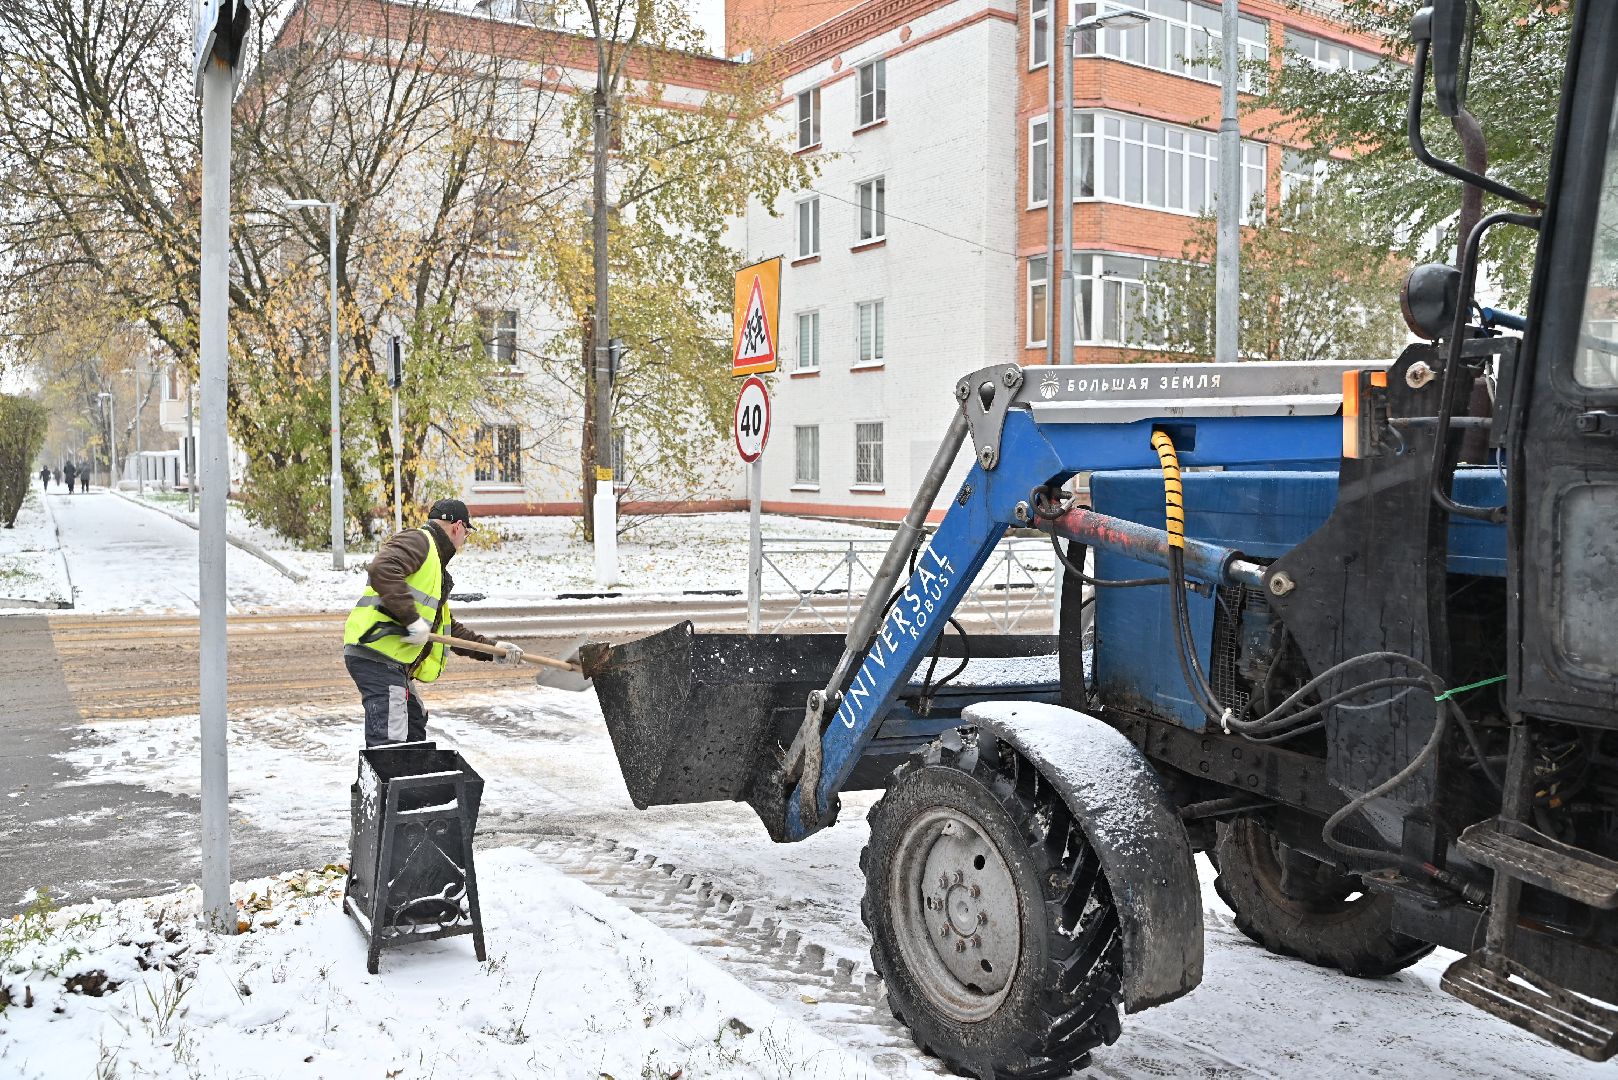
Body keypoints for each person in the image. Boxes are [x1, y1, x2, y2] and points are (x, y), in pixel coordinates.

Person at [342, 499, 524, 746]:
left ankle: (412, 771)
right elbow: (382, 569)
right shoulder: (419, 541)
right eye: (466, 534)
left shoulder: (434, 567)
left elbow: (448, 629)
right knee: (391, 739)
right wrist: (412, 620)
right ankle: (386, 771)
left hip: (392, 661)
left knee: (414, 722)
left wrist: (494, 649)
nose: (463, 541)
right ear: (458, 527)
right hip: (376, 654)